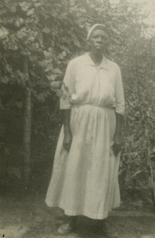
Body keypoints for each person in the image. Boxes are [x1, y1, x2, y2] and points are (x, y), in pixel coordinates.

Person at [45, 24, 125, 237]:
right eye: (96, 37)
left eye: (104, 38)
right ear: (88, 41)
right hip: (78, 122)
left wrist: (118, 133)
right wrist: (68, 131)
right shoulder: (75, 64)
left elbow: (120, 103)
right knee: (75, 168)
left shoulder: (114, 68)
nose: (100, 40)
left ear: (107, 43)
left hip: (105, 124)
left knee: (100, 170)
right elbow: (65, 98)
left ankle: (98, 220)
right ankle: (71, 219)